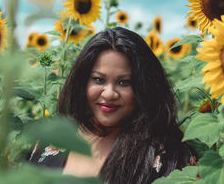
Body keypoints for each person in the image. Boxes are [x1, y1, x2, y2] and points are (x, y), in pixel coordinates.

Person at [27, 27, 197, 183]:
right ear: (82, 82)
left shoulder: (167, 158)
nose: (109, 93)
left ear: (144, 87)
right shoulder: (48, 144)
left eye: (124, 82)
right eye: (98, 80)